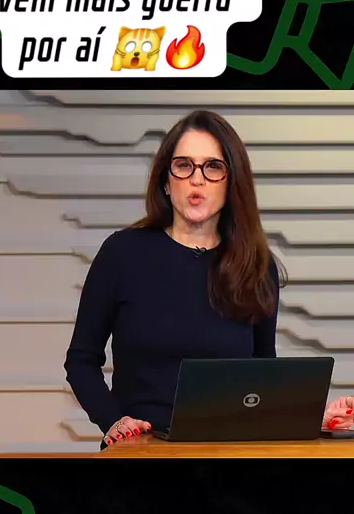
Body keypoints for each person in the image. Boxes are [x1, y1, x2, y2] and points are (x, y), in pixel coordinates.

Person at [64, 109, 354, 447]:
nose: (197, 179)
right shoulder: (122, 253)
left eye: (213, 167)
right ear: (166, 181)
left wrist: (312, 417)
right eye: (184, 165)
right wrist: (114, 421)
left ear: (232, 183)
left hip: (230, 449)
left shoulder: (257, 266)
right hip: (141, 447)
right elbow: (81, 361)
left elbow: (261, 383)